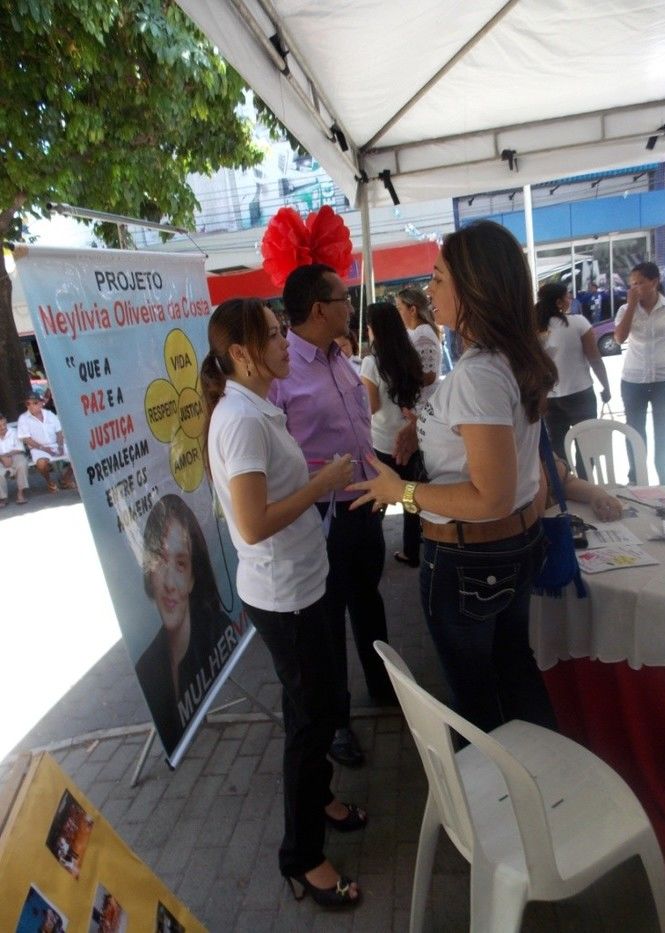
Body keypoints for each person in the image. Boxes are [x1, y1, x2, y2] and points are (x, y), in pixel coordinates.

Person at [349, 220, 558, 734]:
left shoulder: (480, 373)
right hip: (509, 547)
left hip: (471, 558)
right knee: (513, 670)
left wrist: (401, 492)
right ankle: (541, 770)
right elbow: (511, 458)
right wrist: (422, 426)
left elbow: (490, 496)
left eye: (440, 278)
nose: (430, 289)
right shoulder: (507, 358)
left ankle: (493, 785)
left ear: (474, 289)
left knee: (477, 702)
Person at [202, 297, 363, 909]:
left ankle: (320, 798)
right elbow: (251, 523)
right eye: (272, 334)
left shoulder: (256, 406)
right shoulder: (242, 420)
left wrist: (313, 476)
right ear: (242, 354)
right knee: (311, 720)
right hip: (285, 595)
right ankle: (302, 857)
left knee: (313, 708)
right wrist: (322, 483)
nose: (283, 341)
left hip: (302, 582)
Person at [270, 264, 396, 769]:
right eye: (344, 298)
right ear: (320, 309)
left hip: (364, 503)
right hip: (324, 518)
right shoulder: (282, 372)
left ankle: (386, 687)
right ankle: (338, 722)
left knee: (369, 601)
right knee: (328, 622)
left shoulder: (340, 357)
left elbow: (359, 426)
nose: (352, 305)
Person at [136, 494, 233, 755]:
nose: (169, 583)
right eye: (159, 560)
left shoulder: (220, 634)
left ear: (192, 578)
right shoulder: (146, 668)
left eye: (180, 564)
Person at [360, 301, 424, 567]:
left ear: (373, 329)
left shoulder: (370, 362)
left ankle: (370, 559)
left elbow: (371, 406)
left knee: (378, 503)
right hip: (413, 439)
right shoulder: (411, 355)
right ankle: (412, 551)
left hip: (384, 443)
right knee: (411, 498)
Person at [614, 261, 665, 485]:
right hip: (633, 380)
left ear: (654, 282)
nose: (634, 288)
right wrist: (631, 306)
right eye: (632, 284)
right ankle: (636, 478)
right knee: (634, 431)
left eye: (639, 283)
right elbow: (619, 338)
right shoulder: (625, 310)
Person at [536, 282, 611, 474]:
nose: (570, 299)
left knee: (558, 448)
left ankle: (565, 486)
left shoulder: (534, 328)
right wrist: (606, 386)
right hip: (580, 393)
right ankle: (586, 484)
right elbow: (594, 358)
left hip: (550, 398)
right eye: (567, 296)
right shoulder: (578, 323)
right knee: (587, 446)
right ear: (559, 302)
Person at [16, 392, 76, 492]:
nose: (31, 406)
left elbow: (59, 431)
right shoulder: (23, 418)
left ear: (41, 403)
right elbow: (26, 438)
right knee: (41, 464)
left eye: (35, 403)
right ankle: (49, 482)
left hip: (56, 444)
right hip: (38, 448)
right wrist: (44, 448)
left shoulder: (49, 414)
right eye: (28, 403)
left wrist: (60, 446)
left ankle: (65, 479)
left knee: (77, 455)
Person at [396, 285, 443, 407]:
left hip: (425, 405)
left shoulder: (423, 334)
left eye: (399, 309)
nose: (397, 314)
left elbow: (429, 376)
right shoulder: (413, 332)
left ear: (412, 310)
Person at [0, 414, 29, 506]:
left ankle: (21, 493)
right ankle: (2, 497)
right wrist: (2, 458)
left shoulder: (14, 432)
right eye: (0, 426)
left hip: (15, 455)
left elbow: (19, 449)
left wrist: (7, 455)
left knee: (22, 463)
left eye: (4, 424)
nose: (3, 427)